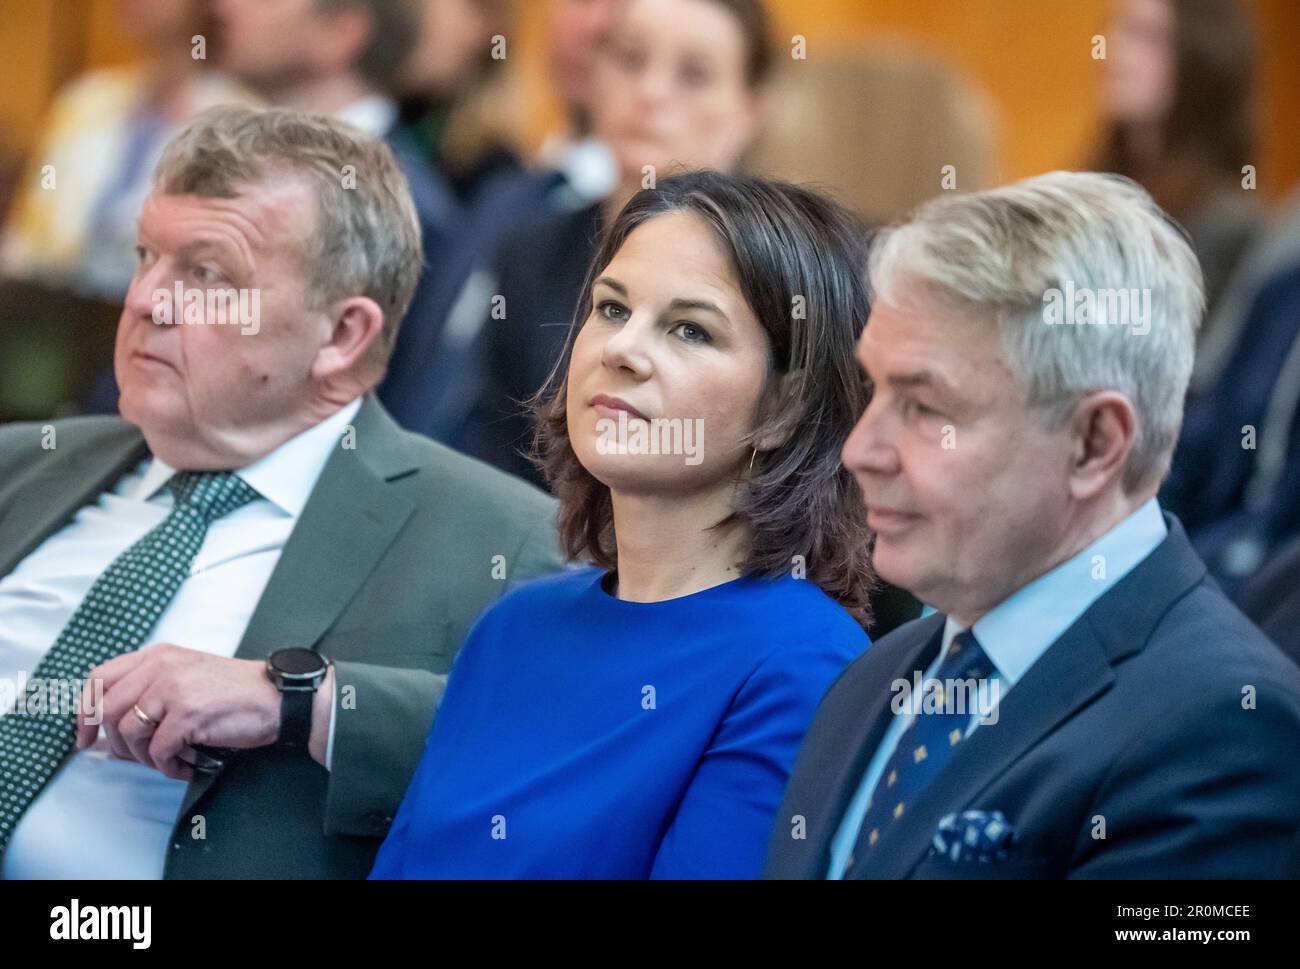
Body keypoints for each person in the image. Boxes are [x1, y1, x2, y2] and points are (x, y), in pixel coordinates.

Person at [0, 106, 564, 880]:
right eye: (145, 257)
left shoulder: (500, 538)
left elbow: (569, 751)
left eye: (206, 274)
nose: (145, 301)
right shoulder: (22, 462)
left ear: (342, 336)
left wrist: (304, 704)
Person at [764, 171, 1300, 880]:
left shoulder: (1226, 730)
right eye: (874, 391)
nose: (861, 449)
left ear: (1094, 443)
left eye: (925, 408)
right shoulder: (869, 681)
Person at [369, 171, 874, 879]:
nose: (623, 349)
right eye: (611, 309)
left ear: (785, 407)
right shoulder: (513, 626)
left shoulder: (802, 664)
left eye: (689, 329)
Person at [426, 0, 772, 478]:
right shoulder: (529, 251)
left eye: (693, 75)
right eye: (630, 60)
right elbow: (499, 460)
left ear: (748, 109)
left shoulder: (778, 279)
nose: (650, 92)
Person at [1089, 0, 1259, 322]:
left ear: (1200, 59)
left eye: (1146, 37)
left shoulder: (1227, 229)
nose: (1113, 53)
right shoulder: (1096, 192)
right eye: (1118, 30)